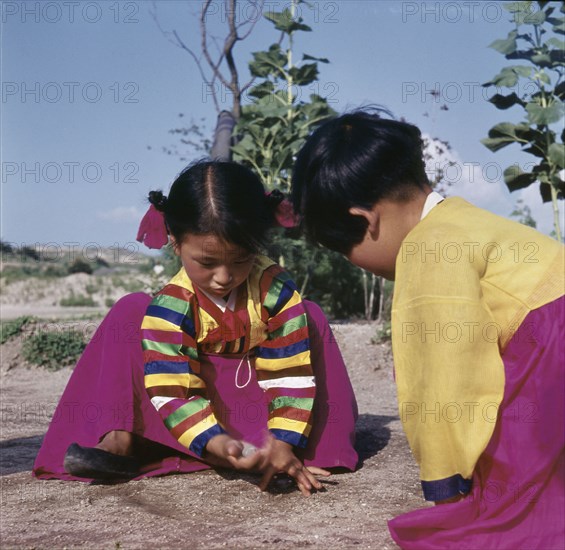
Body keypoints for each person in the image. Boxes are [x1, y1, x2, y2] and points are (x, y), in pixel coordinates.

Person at [291, 109, 564, 547]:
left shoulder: (425, 249)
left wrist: (446, 487)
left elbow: (441, 383)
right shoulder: (466, 219)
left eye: (345, 249)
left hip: (552, 356)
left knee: (506, 520)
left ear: (366, 220)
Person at [33, 160, 359, 496]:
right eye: (207, 262)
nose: (223, 276)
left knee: (312, 315)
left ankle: (280, 453)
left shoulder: (276, 291)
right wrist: (214, 442)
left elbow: (289, 374)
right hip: (189, 412)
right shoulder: (171, 305)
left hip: (267, 409)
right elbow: (172, 388)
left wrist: (283, 441)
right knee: (130, 311)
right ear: (175, 242)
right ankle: (123, 439)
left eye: (240, 259)